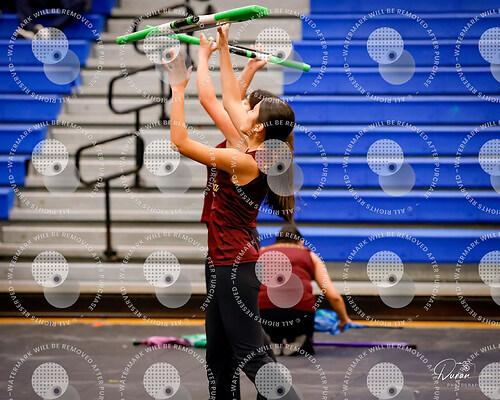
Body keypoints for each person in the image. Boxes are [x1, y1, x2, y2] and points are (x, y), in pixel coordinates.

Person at [162, 22, 296, 400]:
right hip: (224, 260)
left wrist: (177, 89)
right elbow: (220, 98)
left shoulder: (245, 159)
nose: (244, 107)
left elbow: (181, 141)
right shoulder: (249, 144)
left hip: (233, 265)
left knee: (252, 358)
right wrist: (220, 48)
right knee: (220, 358)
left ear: (259, 126)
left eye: (252, 108)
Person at [258, 224, 352, 356]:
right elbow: (333, 296)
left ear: (276, 241)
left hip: (265, 313)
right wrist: (344, 319)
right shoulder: (310, 255)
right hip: (299, 314)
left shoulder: (261, 252)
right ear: (301, 242)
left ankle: (271, 339)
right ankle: (299, 339)